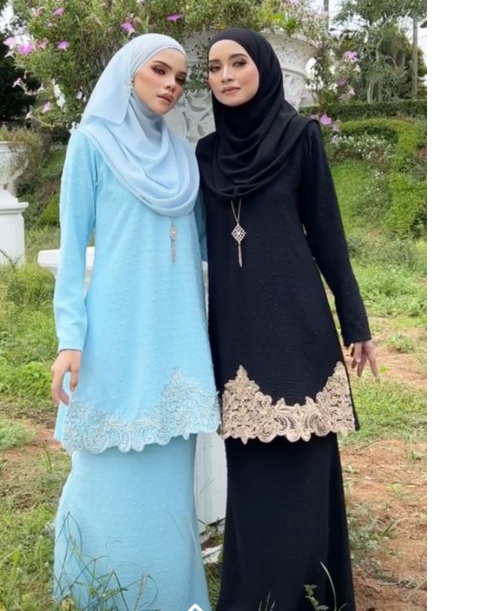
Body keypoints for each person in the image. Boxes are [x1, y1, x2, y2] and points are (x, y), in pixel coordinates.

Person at [195, 28, 379, 611]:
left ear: (265, 68)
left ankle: (311, 595)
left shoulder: (300, 137)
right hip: (237, 329)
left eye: (238, 63)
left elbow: (328, 235)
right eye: (215, 67)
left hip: (298, 326)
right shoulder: (205, 154)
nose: (225, 76)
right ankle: (256, 596)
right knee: (251, 469)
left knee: (304, 462)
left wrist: (356, 324)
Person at [49, 33, 221, 611]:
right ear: (129, 73)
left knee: (168, 476)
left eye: (180, 78)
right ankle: (94, 593)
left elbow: (205, 245)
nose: (172, 85)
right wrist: (70, 340)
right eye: (160, 71)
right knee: (104, 471)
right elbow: (71, 251)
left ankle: (170, 595)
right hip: (115, 335)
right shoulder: (91, 144)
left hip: (177, 335)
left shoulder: (183, 155)